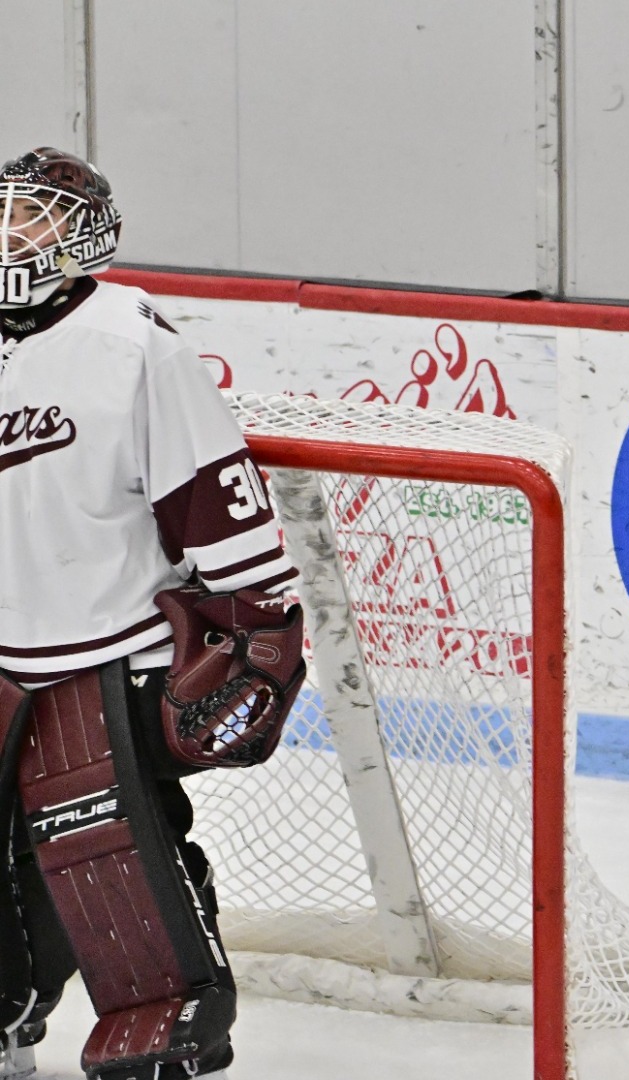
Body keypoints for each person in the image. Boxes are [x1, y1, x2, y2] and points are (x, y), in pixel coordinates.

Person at [0, 148, 303, 1080]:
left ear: (85, 238)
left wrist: (263, 625)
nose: (12, 232)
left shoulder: (135, 343)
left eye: (36, 216)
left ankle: (171, 1023)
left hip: (105, 652)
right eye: (4, 211)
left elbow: (214, 492)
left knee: (111, 851)